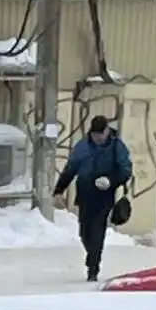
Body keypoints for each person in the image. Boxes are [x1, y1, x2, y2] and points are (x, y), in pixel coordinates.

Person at [53, 112, 134, 283]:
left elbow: (125, 170)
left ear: (107, 131)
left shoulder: (117, 146)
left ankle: (93, 267)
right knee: (84, 232)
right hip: (84, 193)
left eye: (100, 134)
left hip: (104, 196)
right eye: (94, 134)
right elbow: (71, 168)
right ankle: (92, 255)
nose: (97, 137)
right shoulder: (83, 146)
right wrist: (59, 189)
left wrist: (111, 180)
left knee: (97, 230)